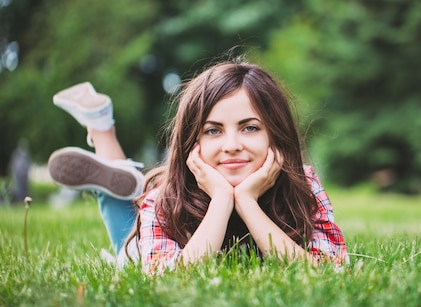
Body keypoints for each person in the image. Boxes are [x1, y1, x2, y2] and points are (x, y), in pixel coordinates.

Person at [48, 60, 348, 273]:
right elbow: (171, 279)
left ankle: (101, 126)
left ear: (276, 132)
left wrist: (246, 202)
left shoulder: (303, 183)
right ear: (193, 141)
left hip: (168, 196)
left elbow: (326, 271)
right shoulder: (164, 198)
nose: (231, 145)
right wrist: (221, 199)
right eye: (213, 131)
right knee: (127, 254)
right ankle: (102, 131)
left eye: (250, 128)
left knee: (126, 195)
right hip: (152, 236)